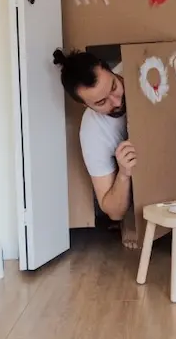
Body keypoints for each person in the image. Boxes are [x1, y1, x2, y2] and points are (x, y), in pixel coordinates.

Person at [53, 48, 138, 248]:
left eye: (114, 86)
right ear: (86, 105)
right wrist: (124, 174)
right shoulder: (93, 133)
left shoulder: (139, 69)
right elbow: (112, 210)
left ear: (111, 70)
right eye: (101, 102)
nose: (116, 102)